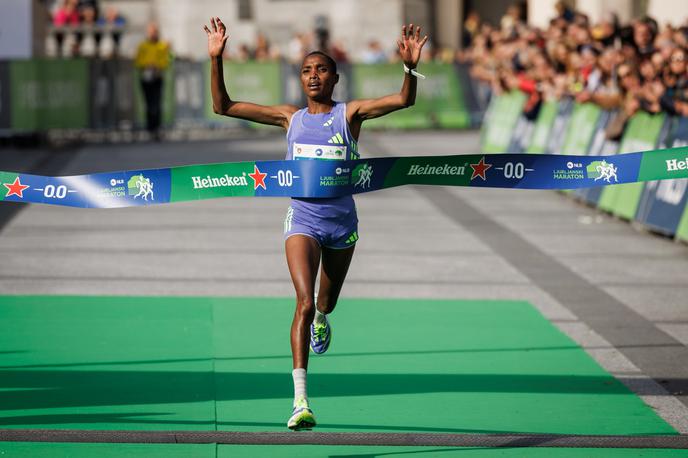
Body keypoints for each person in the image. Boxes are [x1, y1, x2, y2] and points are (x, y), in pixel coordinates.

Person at [203, 16, 428, 430]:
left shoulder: (350, 115)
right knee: (303, 302)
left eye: (321, 69)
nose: (313, 76)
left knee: (325, 304)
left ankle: (324, 318)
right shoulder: (290, 119)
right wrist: (216, 59)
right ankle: (300, 401)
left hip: (342, 224)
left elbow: (402, 100)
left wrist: (410, 68)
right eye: (307, 70)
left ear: (335, 78)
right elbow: (224, 106)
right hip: (302, 219)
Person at [135, 22, 170, 139]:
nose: (153, 34)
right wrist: (147, 65)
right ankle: (150, 128)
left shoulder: (162, 45)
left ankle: (157, 128)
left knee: (157, 103)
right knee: (149, 103)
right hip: (146, 77)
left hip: (157, 77)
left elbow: (166, 60)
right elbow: (137, 61)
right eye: (151, 32)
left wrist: (157, 65)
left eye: (154, 32)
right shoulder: (142, 46)